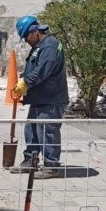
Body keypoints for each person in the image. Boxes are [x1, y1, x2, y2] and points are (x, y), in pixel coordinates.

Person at [10, 15, 69, 179]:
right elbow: (34, 68)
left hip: (51, 99)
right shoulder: (40, 46)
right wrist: (23, 80)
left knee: (47, 132)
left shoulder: (50, 46)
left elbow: (42, 70)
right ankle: (31, 161)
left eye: (26, 37)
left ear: (35, 31)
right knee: (32, 131)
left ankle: (51, 166)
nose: (26, 41)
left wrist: (26, 82)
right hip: (39, 98)